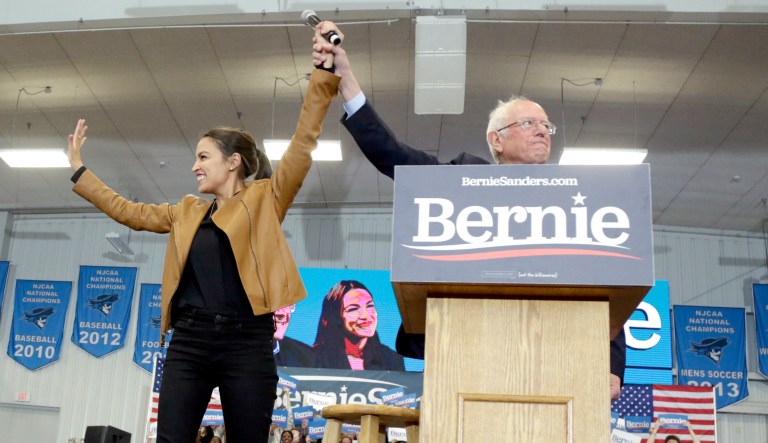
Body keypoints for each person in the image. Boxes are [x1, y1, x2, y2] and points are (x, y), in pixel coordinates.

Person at [312, 20, 625, 399]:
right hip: (466, 343)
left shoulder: (576, 202)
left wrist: (610, 366)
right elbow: (390, 153)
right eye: (528, 123)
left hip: (554, 350)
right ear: (497, 140)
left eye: (546, 125)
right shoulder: (463, 179)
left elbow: (601, 278)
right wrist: (344, 76)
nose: (542, 130)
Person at [68, 29, 341, 443]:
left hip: (248, 342)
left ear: (233, 162)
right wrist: (79, 171)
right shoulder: (186, 212)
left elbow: (303, 142)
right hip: (189, 343)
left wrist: (323, 71)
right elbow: (129, 212)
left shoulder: (267, 199)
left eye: (202, 156)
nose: (195, 166)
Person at [312, 280, 404, 370]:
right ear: (335, 317)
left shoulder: (392, 359)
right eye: (353, 309)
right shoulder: (314, 358)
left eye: (369, 306)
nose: (365, 315)